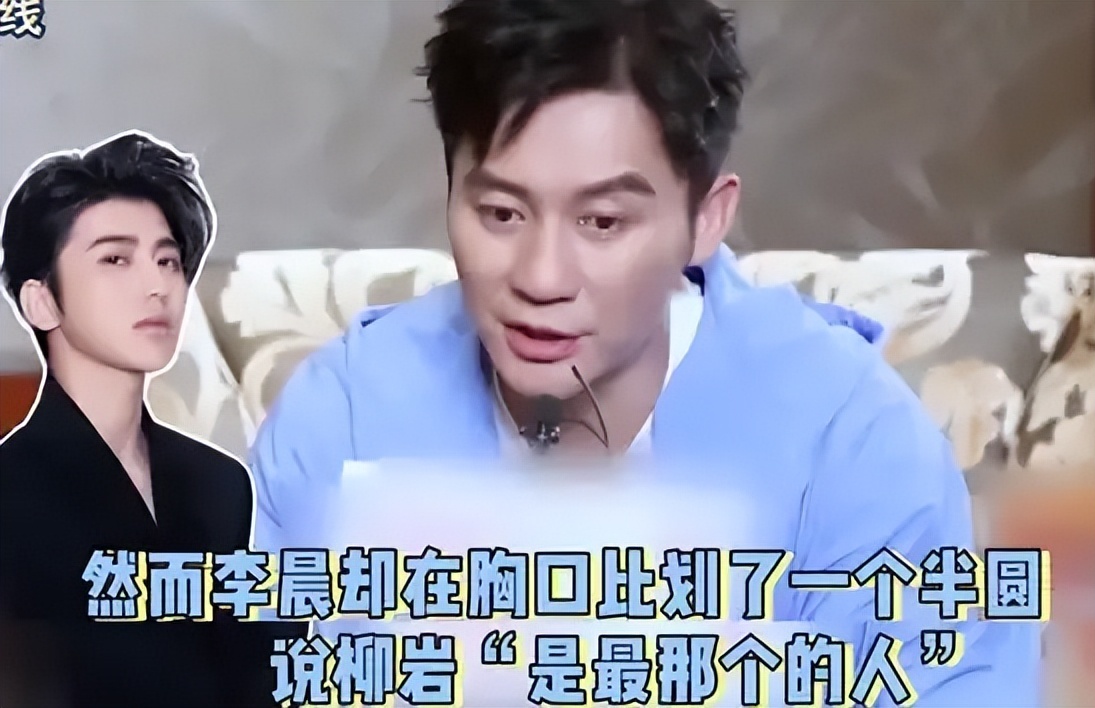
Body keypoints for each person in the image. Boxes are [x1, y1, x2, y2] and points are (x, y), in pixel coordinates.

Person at [250, 0, 1042, 705]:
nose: (542, 278)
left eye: (602, 222)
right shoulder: (344, 415)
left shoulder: (851, 439)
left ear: (706, 218)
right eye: (500, 213)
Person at [0, 131, 278, 707]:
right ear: (41, 300)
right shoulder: (11, 494)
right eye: (115, 259)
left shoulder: (220, 484)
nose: (157, 287)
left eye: (168, 260)